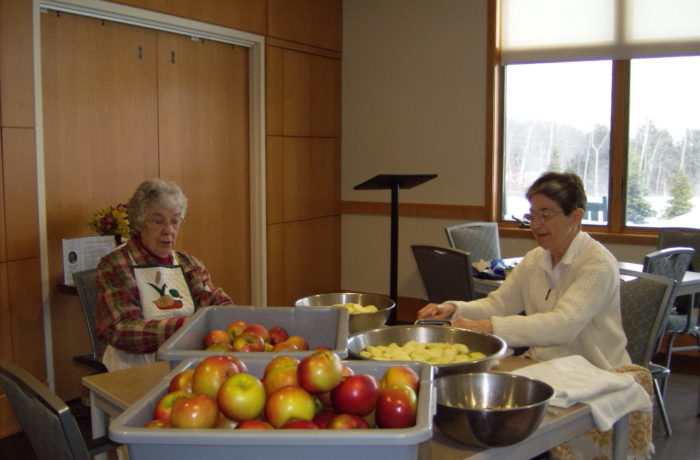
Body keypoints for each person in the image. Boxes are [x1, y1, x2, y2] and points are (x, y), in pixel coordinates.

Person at [417, 171, 630, 370]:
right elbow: (499, 304)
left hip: (594, 372)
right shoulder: (535, 258)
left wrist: (488, 327)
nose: (536, 225)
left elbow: (563, 325)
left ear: (575, 216)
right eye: (532, 216)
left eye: (545, 215)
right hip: (544, 365)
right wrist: (454, 308)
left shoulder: (597, 264)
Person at [95, 179, 233, 371]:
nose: (168, 230)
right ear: (139, 222)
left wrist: (222, 320)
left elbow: (220, 307)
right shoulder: (115, 265)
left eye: (175, 221)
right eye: (158, 221)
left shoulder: (188, 264)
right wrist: (187, 327)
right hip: (132, 371)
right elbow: (121, 330)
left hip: (183, 366)